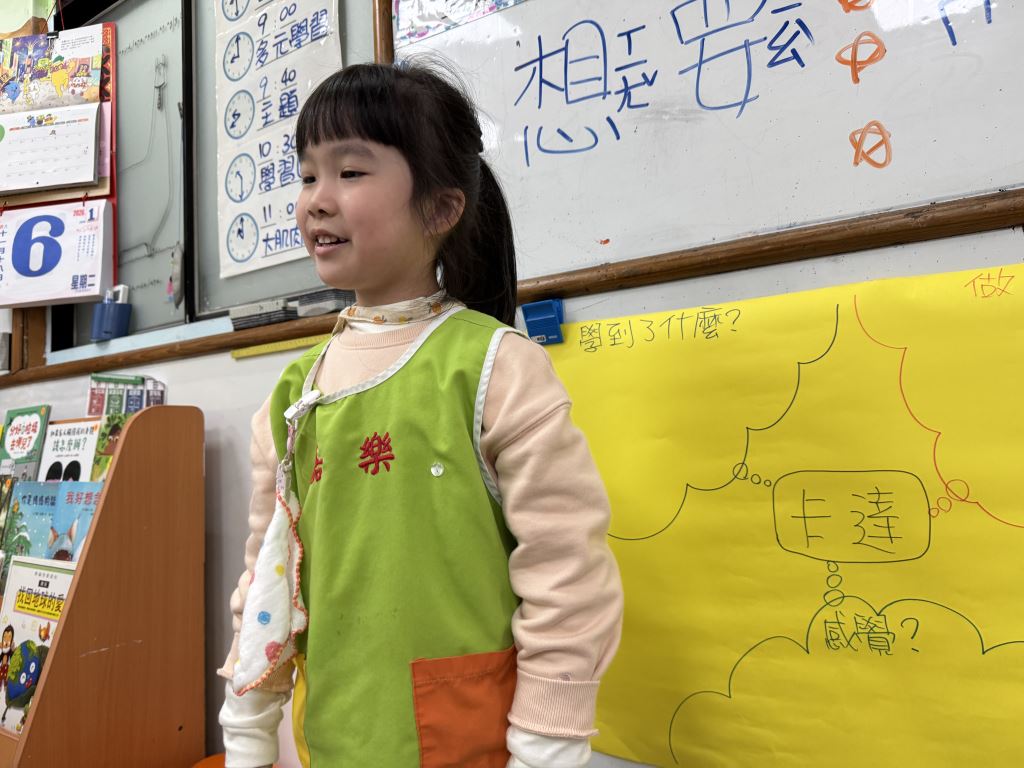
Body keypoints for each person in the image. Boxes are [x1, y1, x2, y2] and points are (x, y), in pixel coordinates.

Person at [218, 60, 623, 768]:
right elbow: (267, 580)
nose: (316, 200)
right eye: (307, 175)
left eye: (350, 172)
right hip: (332, 740)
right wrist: (248, 729)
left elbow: (568, 571)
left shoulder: (495, 366)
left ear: (439, 210)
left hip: (476, 746)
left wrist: (547, 745)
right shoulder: (293, 393)